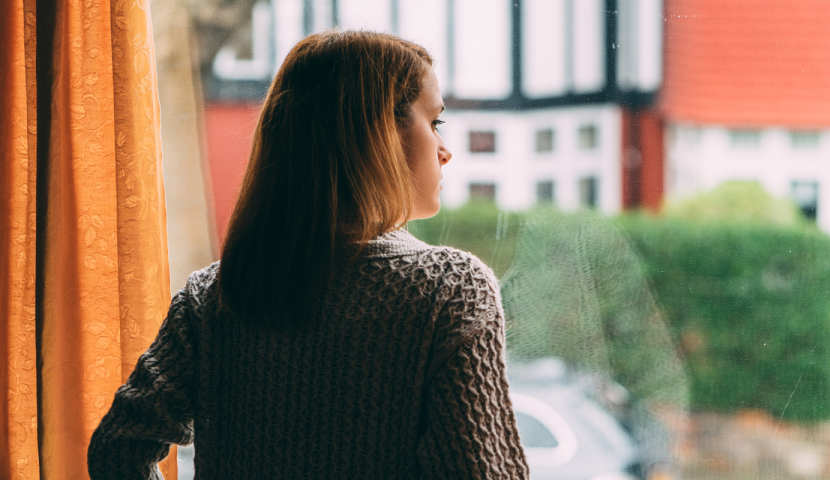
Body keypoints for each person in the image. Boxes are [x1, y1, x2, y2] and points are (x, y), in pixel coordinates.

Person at [88, 30, 530, 479]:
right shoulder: (451, 289)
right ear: (377, 132)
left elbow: (117, 449)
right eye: (434, 122)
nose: (445, 150)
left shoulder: (213, 297)